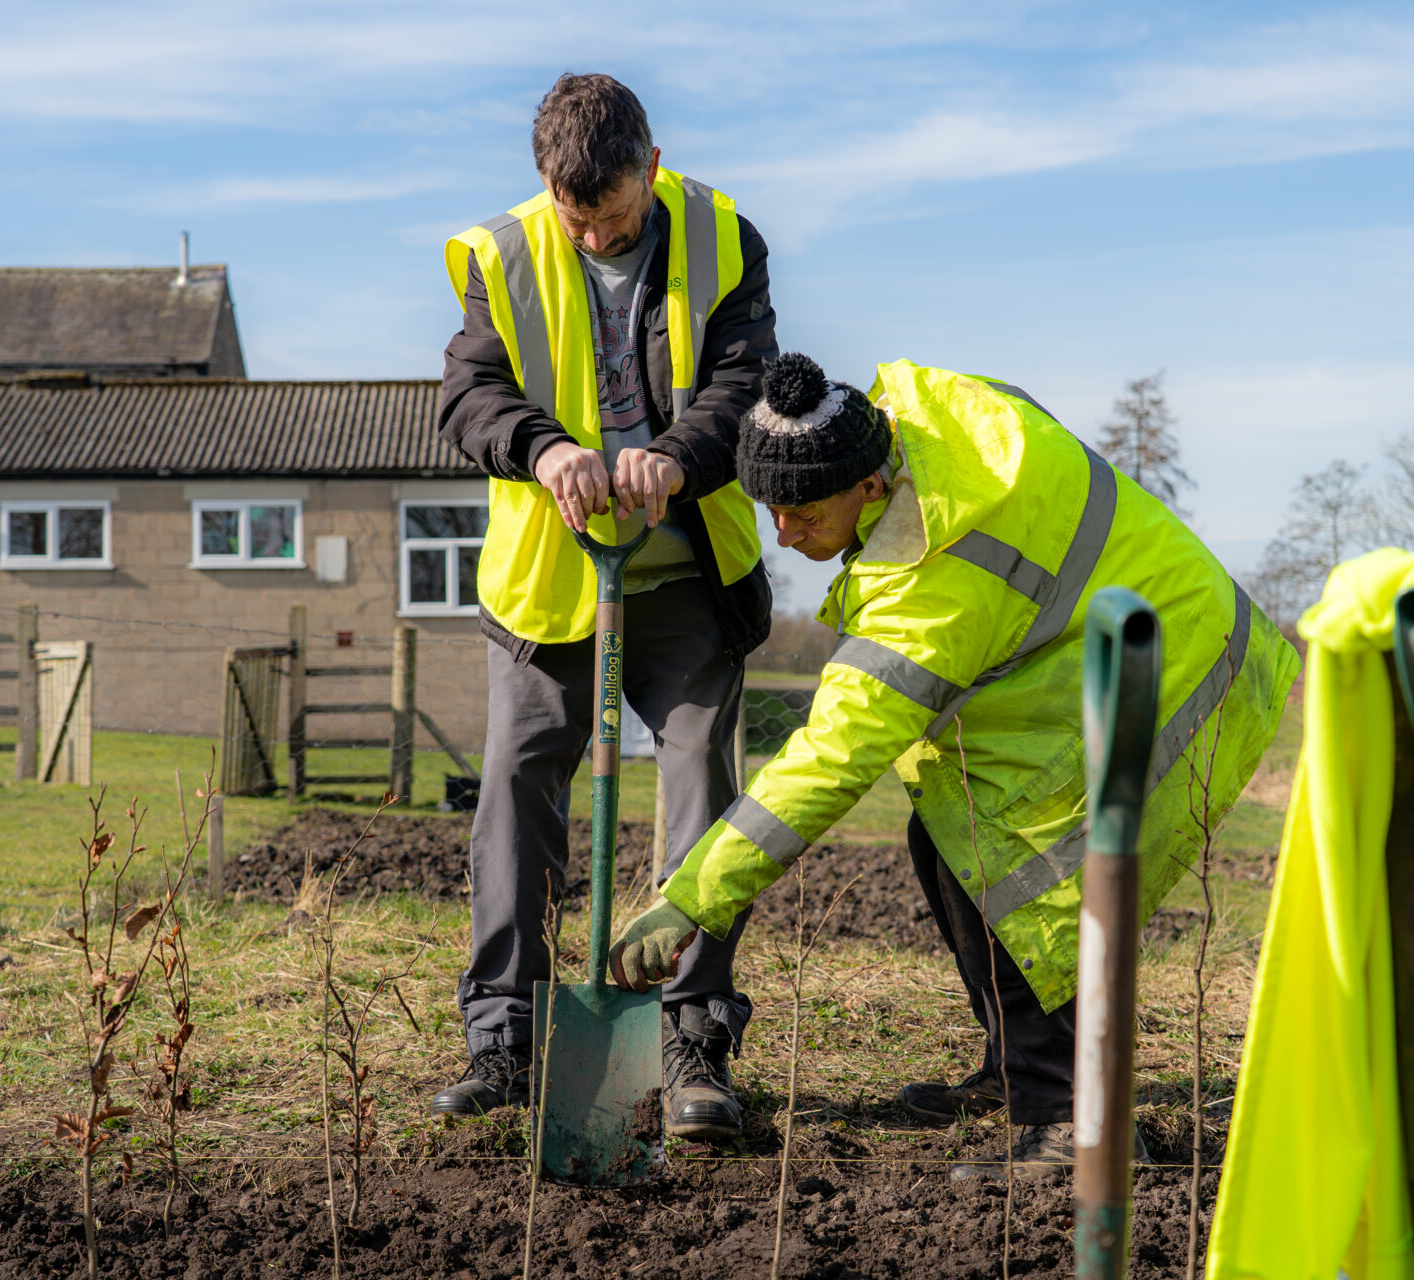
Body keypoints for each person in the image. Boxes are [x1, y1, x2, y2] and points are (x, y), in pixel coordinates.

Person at [609, 353, 1300, 1179]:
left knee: (1008, 869)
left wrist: (692, 898)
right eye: (770, 512)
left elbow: (831, 757)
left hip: (1175, 672)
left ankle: (1075, 1125)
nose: (784, 538)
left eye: (801, 514)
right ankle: (1016, 1068)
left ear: (869, 488)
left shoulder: (934, 577)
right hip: (1118, 635)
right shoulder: (919, 413)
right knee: (939, 836)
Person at [433, 73, 777, 1142]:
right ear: (546, 182)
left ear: (652, 169)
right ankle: (505, 1034)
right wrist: (547, 449)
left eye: (613, 213)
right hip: (550, 575)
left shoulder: (725, 240)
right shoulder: (506, 254)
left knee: (699, 785)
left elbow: (744, 380)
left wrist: (674, 460)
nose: (591, 231)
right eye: (574, 211)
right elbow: (468, 395)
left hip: (682, 570)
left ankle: (690, 1036)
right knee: (515, 783)